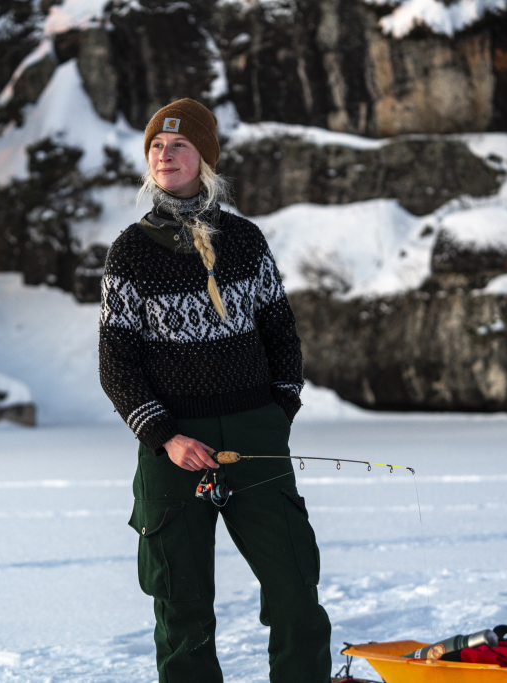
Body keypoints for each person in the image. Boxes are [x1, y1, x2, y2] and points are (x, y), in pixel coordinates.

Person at [98, 98, 332, 682]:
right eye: (156, 145)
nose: (164, 153)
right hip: (172, 449)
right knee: (181, 608)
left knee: (296, 592)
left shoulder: (246, 241)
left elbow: (282, 335)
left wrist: (277, 412)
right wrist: (166, 436)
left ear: (204, 157)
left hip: (255, 435)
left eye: (178, 144)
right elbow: (116, 363)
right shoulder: (130, 252)